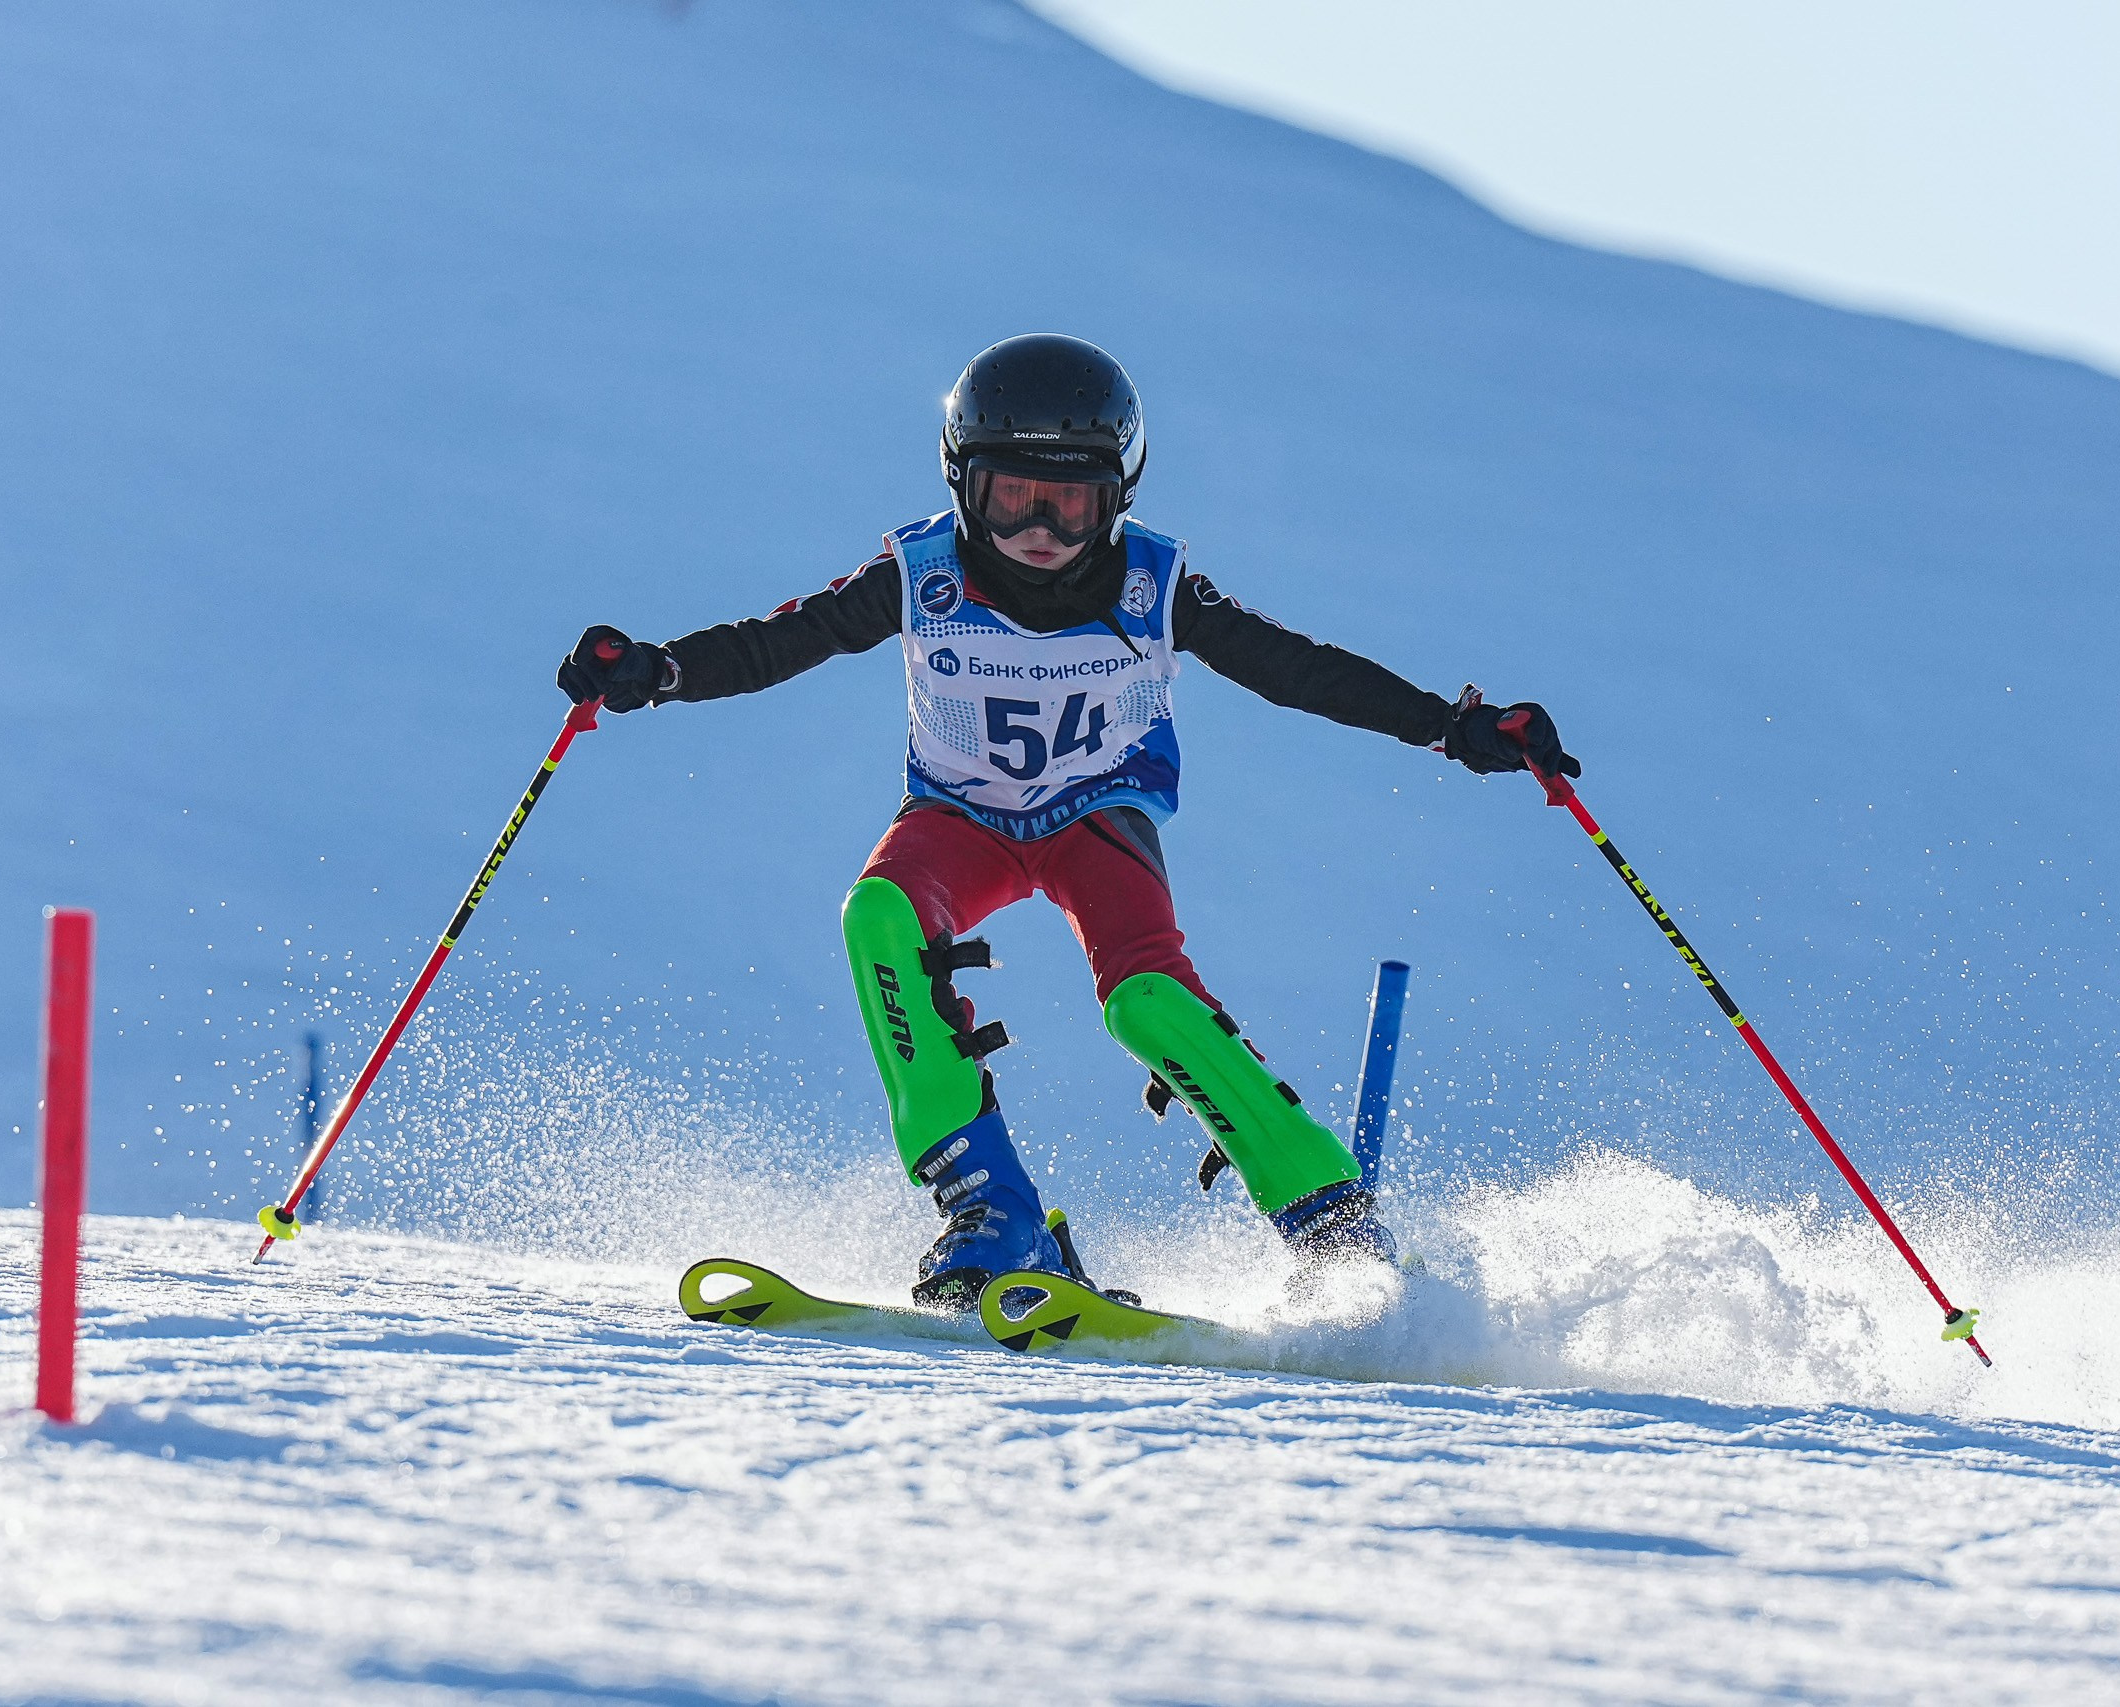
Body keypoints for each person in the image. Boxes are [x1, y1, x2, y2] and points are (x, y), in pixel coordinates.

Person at [558, 334, 1577, 1309]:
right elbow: (786, 640)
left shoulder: (1152, 583)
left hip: (1096, 817)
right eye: (1013, 499)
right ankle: (992, 1216)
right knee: (877, 917)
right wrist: (663, 671)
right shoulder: (922, 575)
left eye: (1072, 502)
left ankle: (1329, 1217)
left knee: (1145, 1004)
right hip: (961, 816)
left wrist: (1451, 726)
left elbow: (1294, 667)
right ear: (963, 484)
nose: (1040, 529)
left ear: (1117, 497)